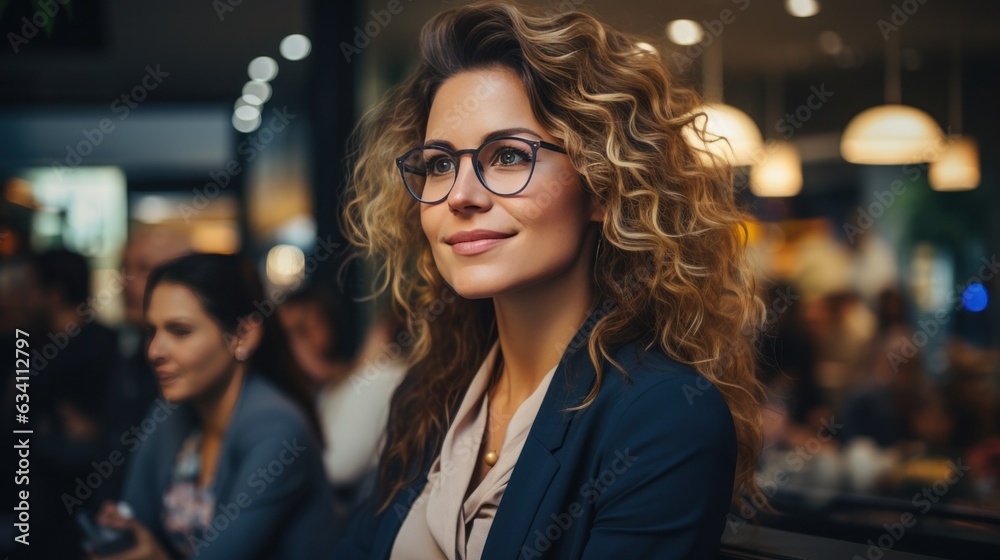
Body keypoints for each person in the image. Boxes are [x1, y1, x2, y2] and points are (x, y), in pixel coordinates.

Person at [335, 3, 765, 559]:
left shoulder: (665, 418)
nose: (461, 194)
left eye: (509, 155)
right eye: (439, 163)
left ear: (603, 186)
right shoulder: (428, 395)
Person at [91, 253, 337, 559]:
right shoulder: (170, 412)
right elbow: (134, 523)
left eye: (180, 331)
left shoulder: (277, 427)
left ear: (243, 336)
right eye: (150, 331)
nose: (154, 350)